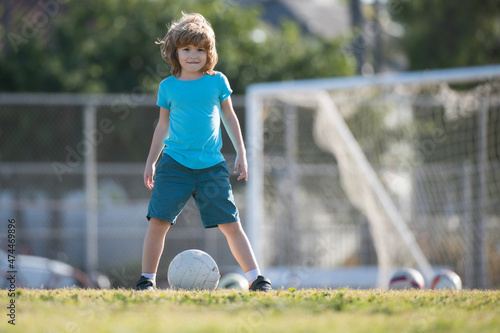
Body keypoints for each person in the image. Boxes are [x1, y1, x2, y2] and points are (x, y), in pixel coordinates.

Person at [135, 12, 271, 292]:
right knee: (158, 222)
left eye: (200, 49)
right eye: (186, 49)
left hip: (211, 167)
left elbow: (230, 119)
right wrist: (151, 162)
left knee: (231, 224)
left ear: (209, 53)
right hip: (174, 165)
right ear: (175, 52)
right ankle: (146, 280)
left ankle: (257, 278)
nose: (193, 55)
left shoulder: (217, 81)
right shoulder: (168, 87)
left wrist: (242, 154)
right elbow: (162, 128)